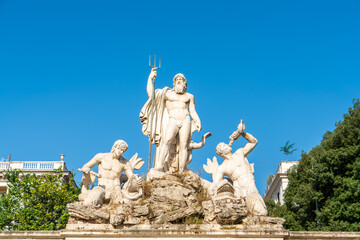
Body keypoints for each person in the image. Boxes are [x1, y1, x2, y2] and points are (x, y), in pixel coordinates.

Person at [140, 68, 202, 174]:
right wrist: (150, 78)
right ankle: (159, 166)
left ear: (184, 83)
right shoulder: (167, 94)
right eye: (177, 79)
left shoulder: (189, 96)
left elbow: (192, 111)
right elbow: (152, 95)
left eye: (181, 79)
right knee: (166, 141)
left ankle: (181, 170)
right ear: (174, 83)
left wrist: (197, 121)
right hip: (173, 119)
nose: (179, 80)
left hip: (185, 119)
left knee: (183, 145)